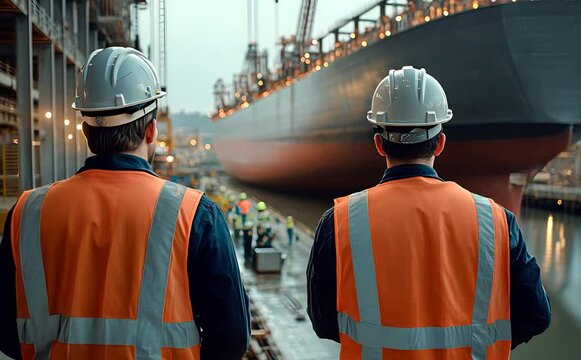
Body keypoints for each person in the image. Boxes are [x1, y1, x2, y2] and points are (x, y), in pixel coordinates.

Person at [0, 47, 250, 359]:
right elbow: (232, 338)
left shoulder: (27, 213)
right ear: (151, 130)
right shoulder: (195, 213)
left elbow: (8, 335)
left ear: (86, 130)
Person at [306, 66, 551, 359]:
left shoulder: (339, 221)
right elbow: (537, 315)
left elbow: (323, 322)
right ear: (441, 142)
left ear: (378, 144)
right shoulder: (497, 221)